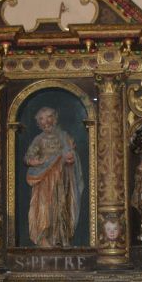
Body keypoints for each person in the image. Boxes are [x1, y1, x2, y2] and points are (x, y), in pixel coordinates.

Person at [24, 106, 84, 247]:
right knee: (45, 208)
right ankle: (43, 237)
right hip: (43, 180)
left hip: (61, 180)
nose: (46, 122)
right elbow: (28, 157)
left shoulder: (64, 136)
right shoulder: (39, 139)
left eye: (49, 117)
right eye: (42, 119)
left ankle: (60, 237)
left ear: (55, 119)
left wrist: (70, 158)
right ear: (38, 123)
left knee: (61, 207)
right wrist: (35, 161)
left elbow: (72, 155)